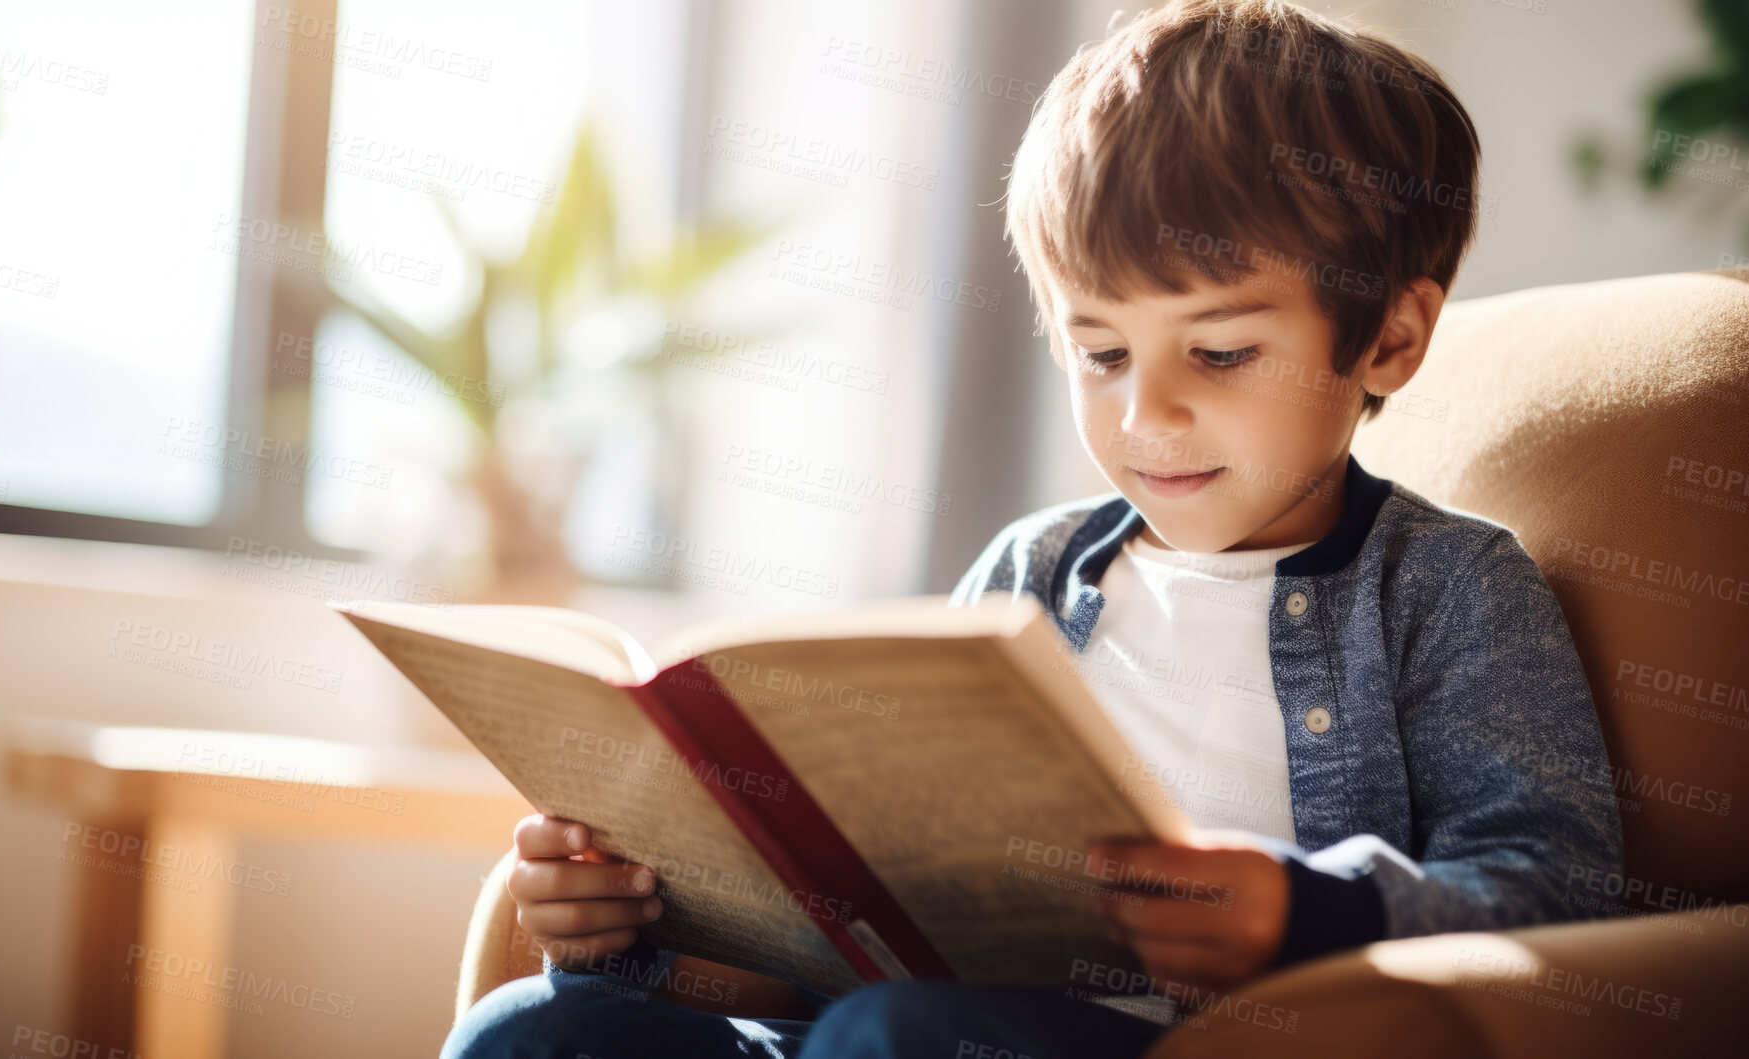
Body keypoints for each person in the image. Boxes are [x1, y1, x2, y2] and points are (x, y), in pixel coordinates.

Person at [444, 1, 1622, 1054]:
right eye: (1098, 351)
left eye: (1217, 352)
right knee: (541, 1028)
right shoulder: (1032, 570)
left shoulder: (1450, 586)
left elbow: (1555, 892)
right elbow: (876, 890)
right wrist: (630, 920)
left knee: (896, 1033)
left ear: (1389, 342)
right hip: (880, 1021)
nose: (1143, 411)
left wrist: (1305, 910)